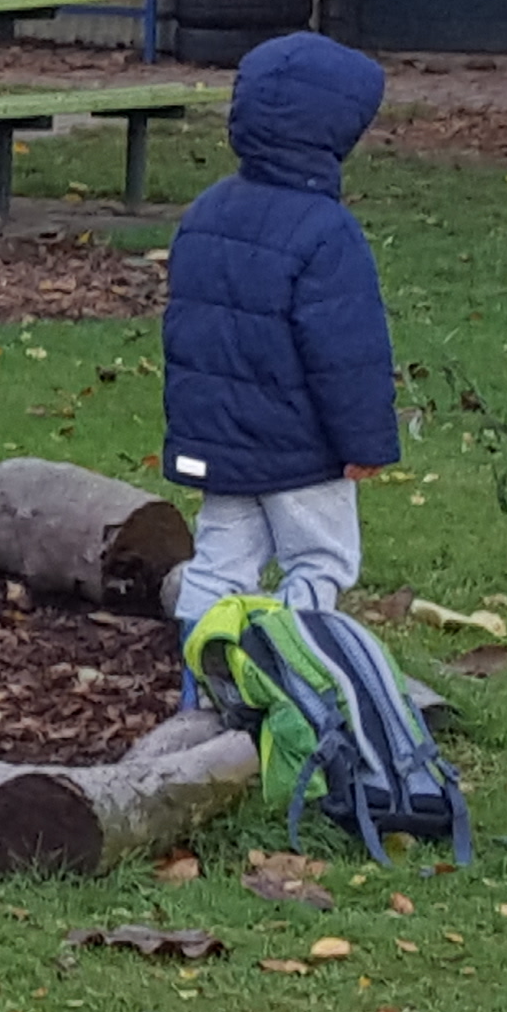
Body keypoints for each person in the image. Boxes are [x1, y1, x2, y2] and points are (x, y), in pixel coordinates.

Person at [158, 30, 401, 622]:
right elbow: (347, 355)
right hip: (302, 451)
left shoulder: (206, 210)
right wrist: (365, 445)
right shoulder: (327, 232)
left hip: (219, 442)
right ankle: (300, 674)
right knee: (320, 561)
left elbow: (188, 331)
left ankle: (201, 679)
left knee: (218, 562)